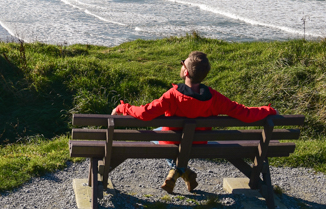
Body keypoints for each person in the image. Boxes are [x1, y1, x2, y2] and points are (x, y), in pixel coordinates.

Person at [111, 51, 277, 193]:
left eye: (183, 63)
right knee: (169, 136)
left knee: (156, 134)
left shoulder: (172, 95)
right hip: (199, 142)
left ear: (186, 73)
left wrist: (123, 108)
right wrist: (268, 110)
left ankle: (179, 171)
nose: (182, 65)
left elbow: (145, 113)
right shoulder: (214, 98)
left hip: (172, 140)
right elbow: (245, 113)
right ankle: (182, 172)